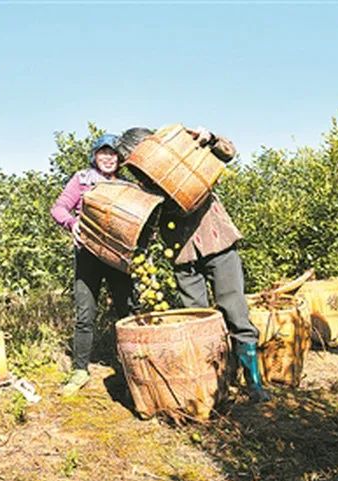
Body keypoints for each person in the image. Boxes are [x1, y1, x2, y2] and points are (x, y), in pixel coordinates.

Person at [116, 126, 271, 403]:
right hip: (182, 254)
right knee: (195, 318)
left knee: (235, 311)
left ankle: (254, 384)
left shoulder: (181, 152)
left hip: (218, 242)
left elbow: (228, 153)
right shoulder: (143, 183)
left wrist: (209, 138)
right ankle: (213, 383)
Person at [51, 134, 136, 396]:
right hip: (88, 254)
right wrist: (72, 224)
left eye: (113, 154)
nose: (109, 158)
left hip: (118, 257)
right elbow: (59, 208)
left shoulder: (127, 186)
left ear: (120, 158)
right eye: (103, 153)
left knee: (128, 311)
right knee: (85, 313)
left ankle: (131, 367)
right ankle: (80, 370)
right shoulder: (82, 179)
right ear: (95, 156)